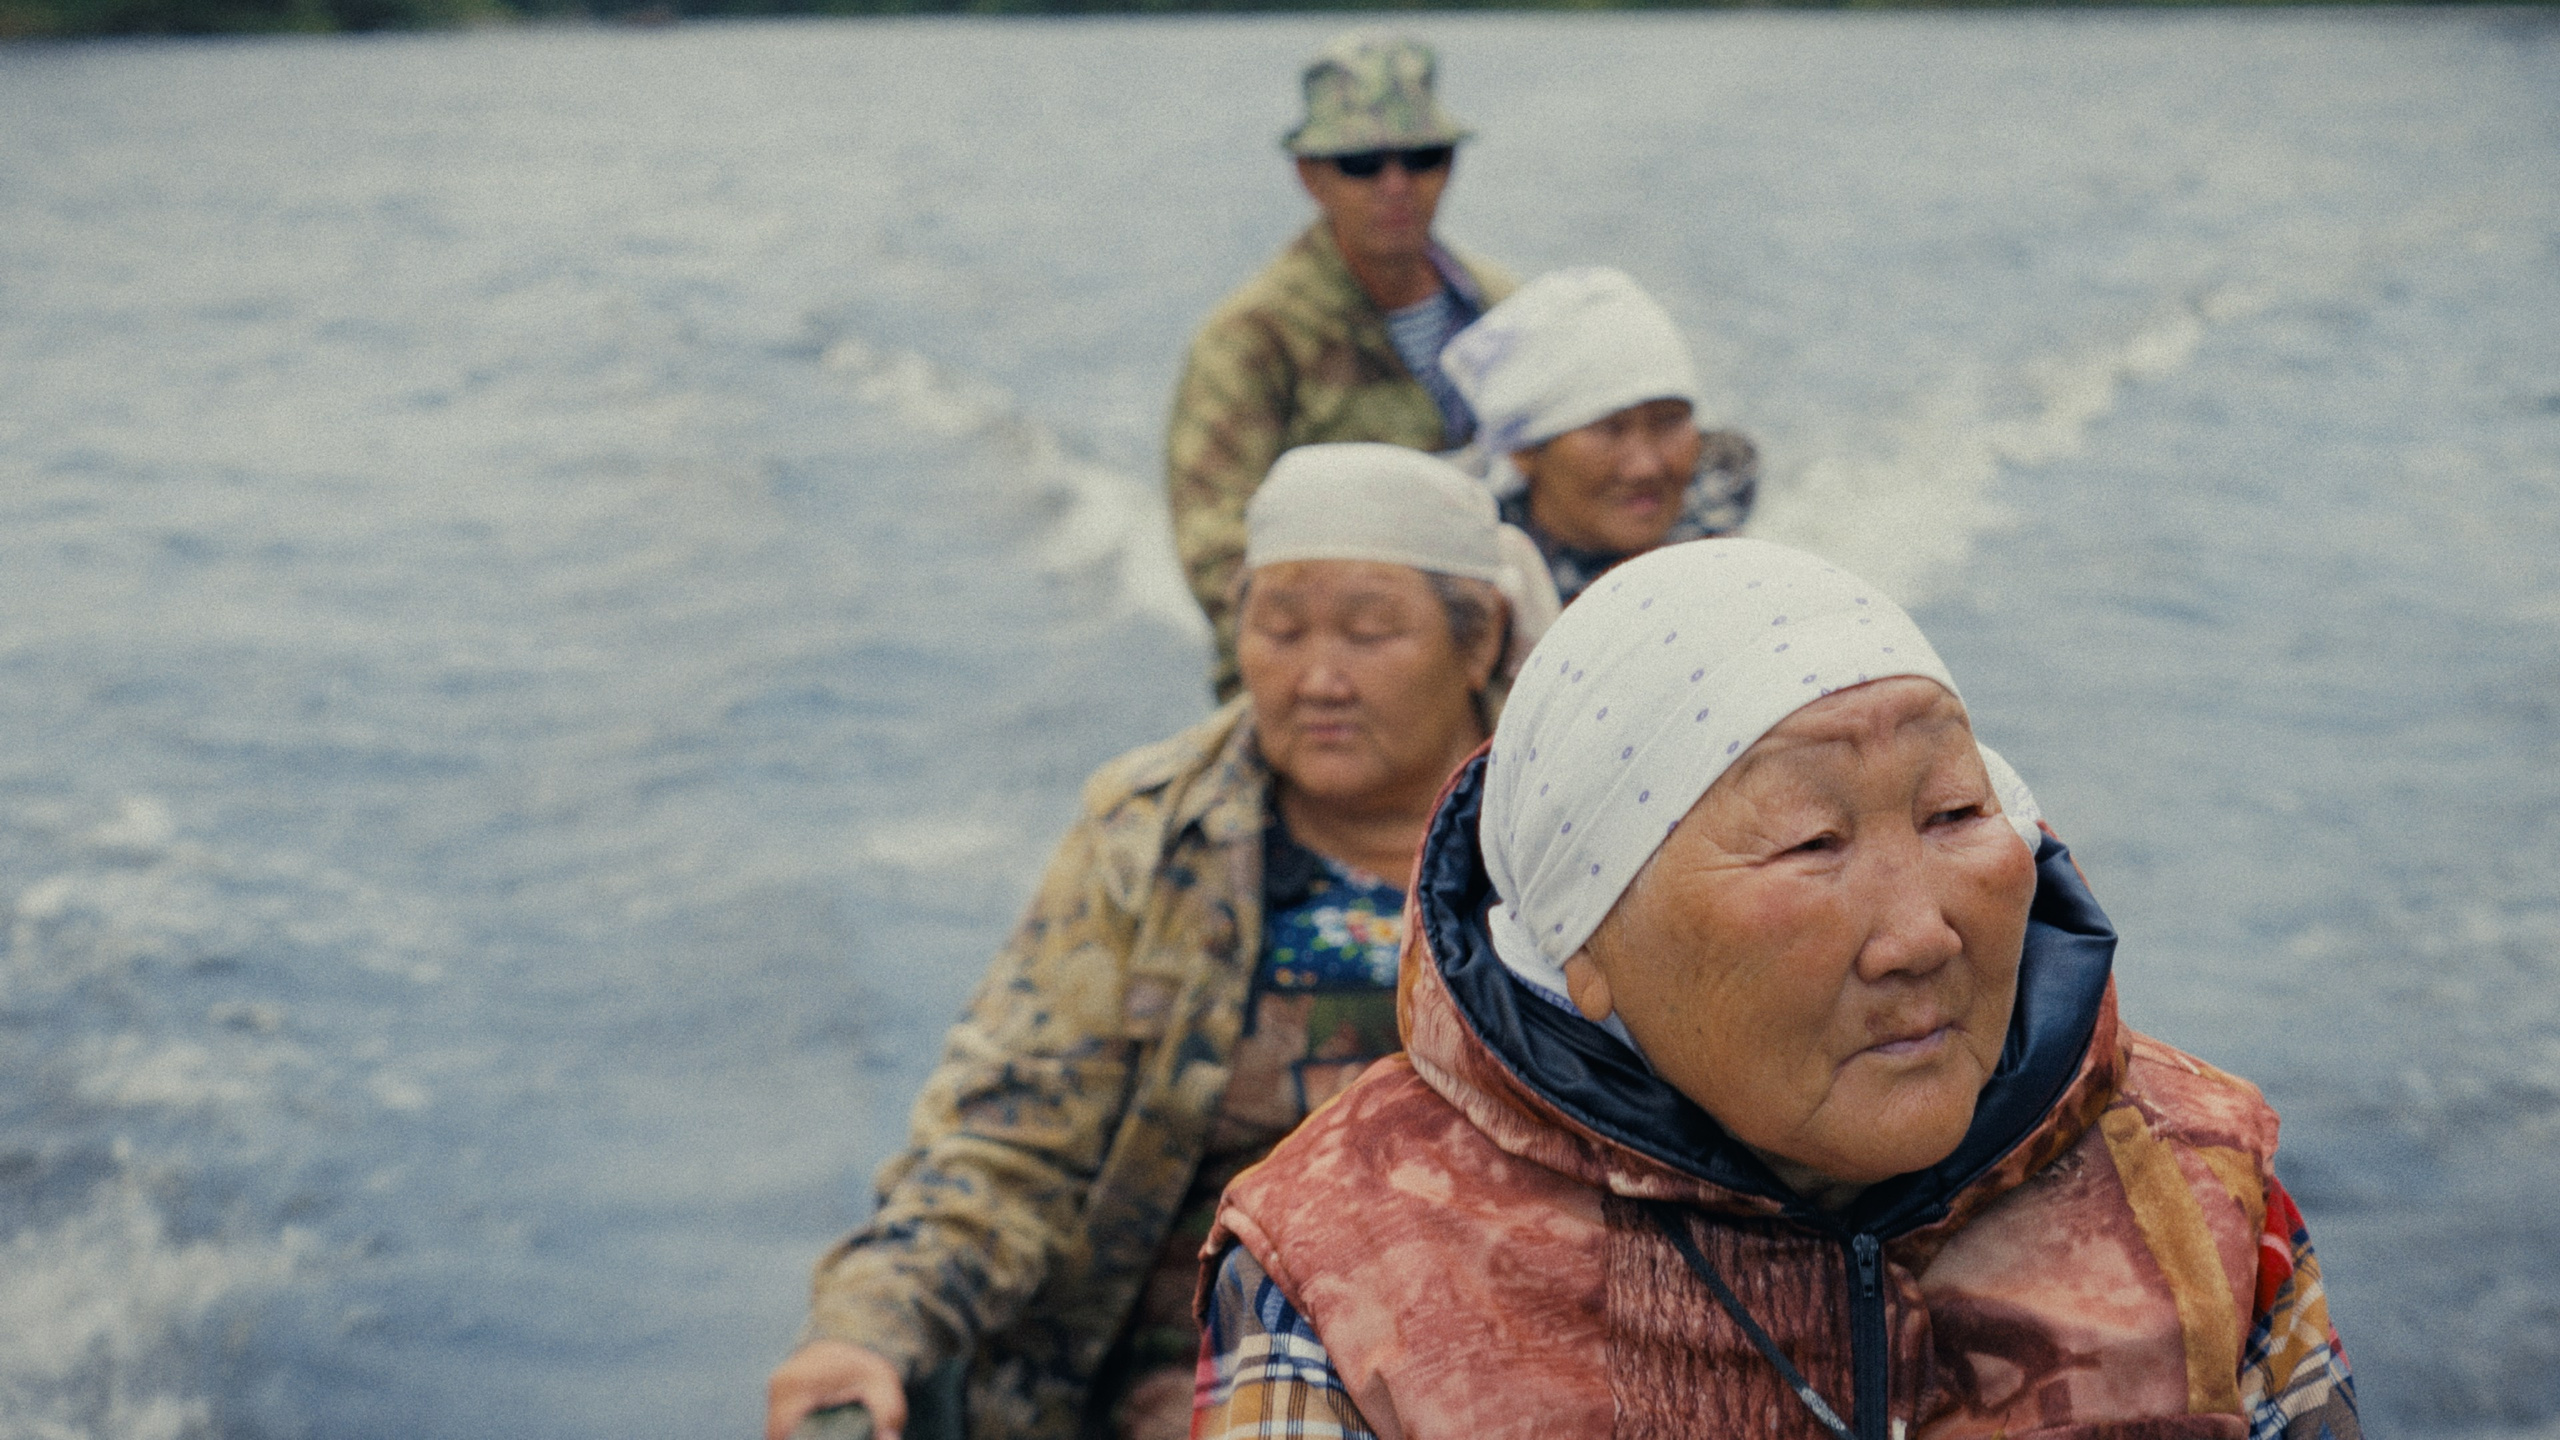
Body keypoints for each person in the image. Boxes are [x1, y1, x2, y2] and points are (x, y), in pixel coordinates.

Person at [1194, 539, 2360, 1440]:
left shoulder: (2202, 1183)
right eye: (1811, 843)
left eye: (1953, 813)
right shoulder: (1343, 1269)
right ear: (1580, 940)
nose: (1919, 936)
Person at [766, 445, 1560, 1440]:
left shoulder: (1565, 836)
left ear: (1478, 642)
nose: (1318, 678)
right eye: (1279, 630)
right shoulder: (1147, 838)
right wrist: (869, 1325)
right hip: (1193, 1369)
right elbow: (1013, 1136)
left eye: (1369, 633)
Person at [1166, 31, 1516, 702]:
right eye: (1362, 164)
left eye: (1423, 158)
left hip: (1496, 664)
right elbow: (1218, 554)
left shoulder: (1505, 311)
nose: (1396, 186)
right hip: (1322, 688)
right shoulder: (1251, 340)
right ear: (1310, 175)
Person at [1439, 266, 1759, 604]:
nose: (1646, 468)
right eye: (1609, 429)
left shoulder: (1736, 578)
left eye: (1669, 421)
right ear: (1524, 451)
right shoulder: (1463, 593)